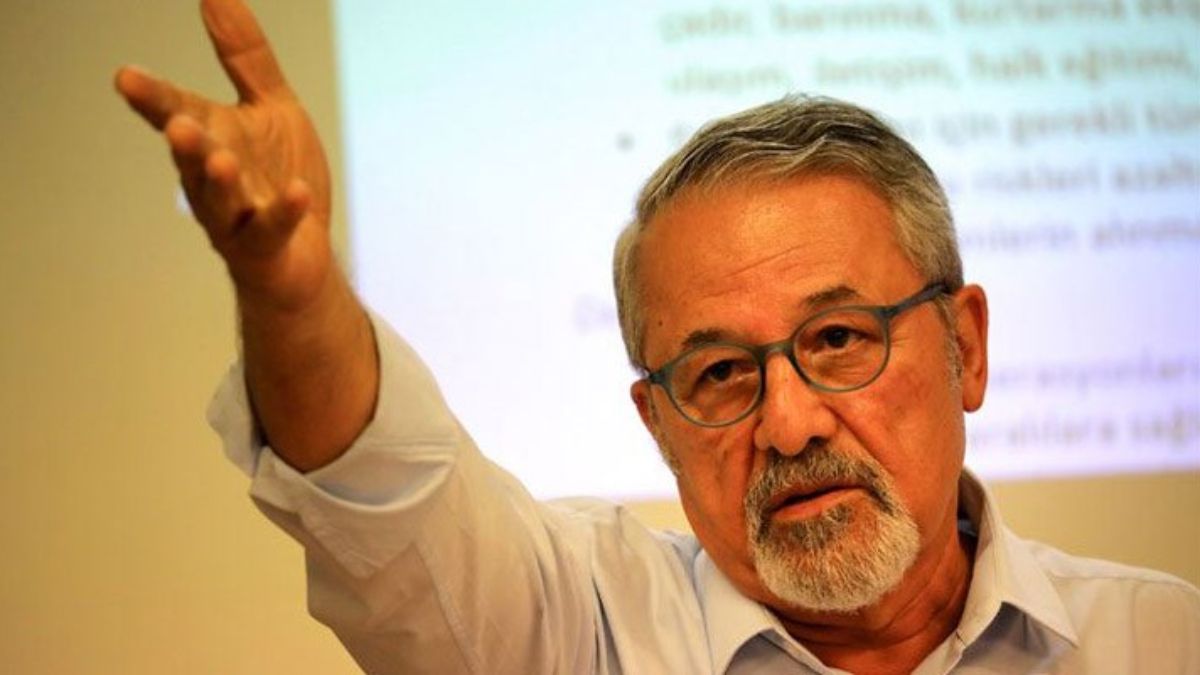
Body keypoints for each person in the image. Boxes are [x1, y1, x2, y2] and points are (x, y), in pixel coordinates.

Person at [116, 1, 1200, 673]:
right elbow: (389, 502)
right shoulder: (578, 631)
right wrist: (293, 297)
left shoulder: (1159, 642)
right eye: (720, 372)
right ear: (656, 421)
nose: (788, 424)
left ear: (967, 345)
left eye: (837, 339)